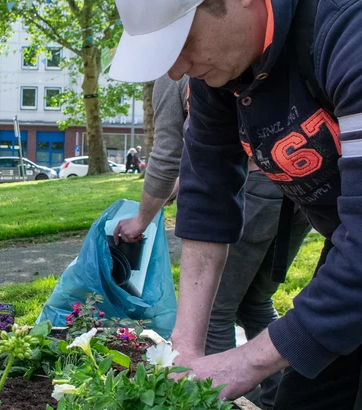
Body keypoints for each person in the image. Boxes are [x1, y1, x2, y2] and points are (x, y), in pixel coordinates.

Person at [110, 0, 362, 407]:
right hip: (361, 237)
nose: (175, 70)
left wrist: (239, 365)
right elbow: (207, 190)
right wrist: (184, 350)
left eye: (181, 41)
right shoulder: (224, 63)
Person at [114, 74, 310, 409]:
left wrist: (140, 220)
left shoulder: (172, 73)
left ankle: (222, 401)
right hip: (296, 183)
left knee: (216, 312)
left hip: (252, 192)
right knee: (256, 303)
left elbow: (165, 154)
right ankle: (285, 400)